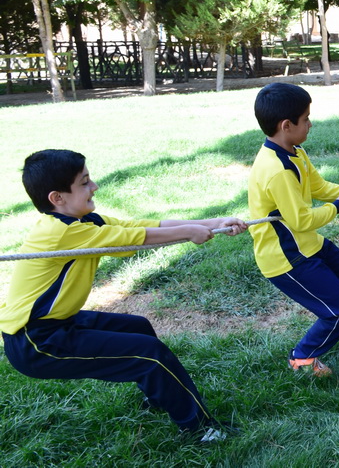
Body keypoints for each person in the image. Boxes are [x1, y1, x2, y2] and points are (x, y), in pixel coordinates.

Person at [0, 149, 246, 443]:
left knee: (137, 327)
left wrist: (213, 222)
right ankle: (202, 430)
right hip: (36, 341)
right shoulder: (61, 233)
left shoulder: (83, 221)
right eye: (85, 182)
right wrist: (190, 232)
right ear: (57, 198)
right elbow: (134, 238)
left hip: (56, 323)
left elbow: (139, 226)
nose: (94, 187)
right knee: (151, 355)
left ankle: (160, 397)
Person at [248, 83, 339, 378]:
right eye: (305, 119)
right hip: (287, 257)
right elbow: (301, 220)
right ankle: (302, 357)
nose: (310, 123)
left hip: (309, 245)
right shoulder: (276, 170)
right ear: (286, 125)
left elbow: (319, 187)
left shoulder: (294, 150)